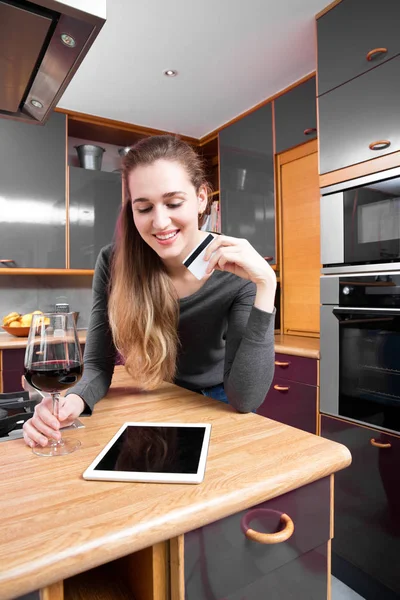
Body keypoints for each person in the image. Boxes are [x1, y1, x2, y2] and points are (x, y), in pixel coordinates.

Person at [23, 135, 276, 449]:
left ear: (200, 198)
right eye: (144, 208)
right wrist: (72, 401)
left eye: (173, 203)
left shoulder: (235, 271)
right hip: (154, 395)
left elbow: (246, 398)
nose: (160, 222)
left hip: (216, 403)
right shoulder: (113, 261)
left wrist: (267, 285)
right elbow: (98, 366)